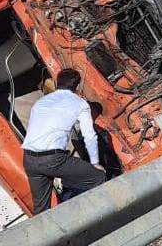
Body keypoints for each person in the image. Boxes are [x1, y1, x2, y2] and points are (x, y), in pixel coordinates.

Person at [22, 69, 105, 215]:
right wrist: (95, 163)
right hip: (53, 160)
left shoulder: (40, 103)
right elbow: (89, 136)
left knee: (41, 210)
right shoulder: (80, 104)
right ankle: (83, 214)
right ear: (77, 86)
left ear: (56, 83)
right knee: (97, 177)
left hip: (29, 160)